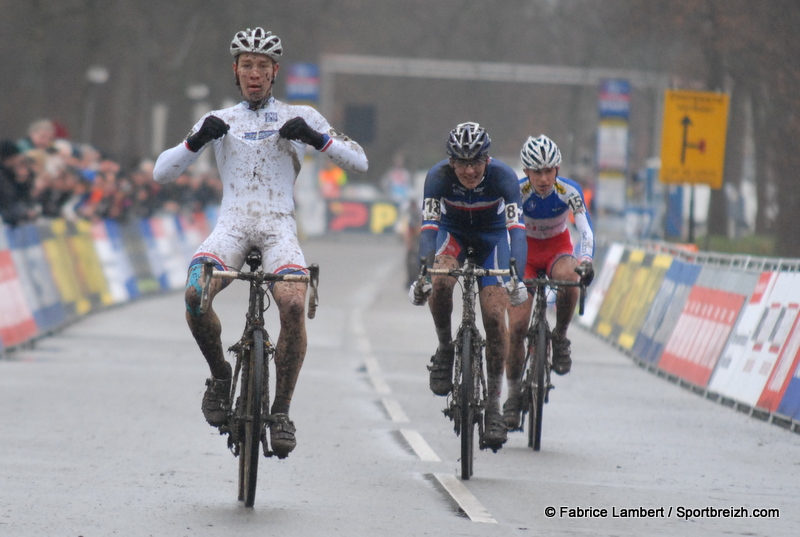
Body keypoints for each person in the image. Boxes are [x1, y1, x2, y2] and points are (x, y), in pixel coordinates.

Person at [153, 27, 368, 459]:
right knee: (195, 295)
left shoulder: (301, 114)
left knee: (291, 303)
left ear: (275, 73)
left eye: (263, 67)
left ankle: (282, 411)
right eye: (247, 65)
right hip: (230, 227)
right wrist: (196, 140)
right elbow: (162, 173)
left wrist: (317, 139)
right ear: (236, 70)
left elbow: (359, 161)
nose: (254, 74)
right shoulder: (220, 119)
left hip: (278, 229)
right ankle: (219, 376)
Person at [409, 122, 528, 451]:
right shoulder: (437, 178)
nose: (470, 170)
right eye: (462, 162)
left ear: (487, 159)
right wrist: (422, 272)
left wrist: (515, 275)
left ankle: (492, 405)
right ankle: (446, 349)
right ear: (451, 162)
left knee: (493, 315)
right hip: (454, 235)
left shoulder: (503, 177)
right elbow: (429, 229)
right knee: (441, 278)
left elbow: (517, 231)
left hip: (492, 240)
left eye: (476, 162)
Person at [503, 134, 595, 430]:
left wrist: (587, 262)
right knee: (516, 327)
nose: (543, 179)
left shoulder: (569, 191)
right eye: (536, 172)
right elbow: (501, 231)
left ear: (557, 170)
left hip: (557, 249)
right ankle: (514, 395)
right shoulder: (515, 192)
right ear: (526, 171)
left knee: (571, 278)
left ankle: (561, 337)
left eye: (548, 171)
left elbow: (586, 231)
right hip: (525, 253)